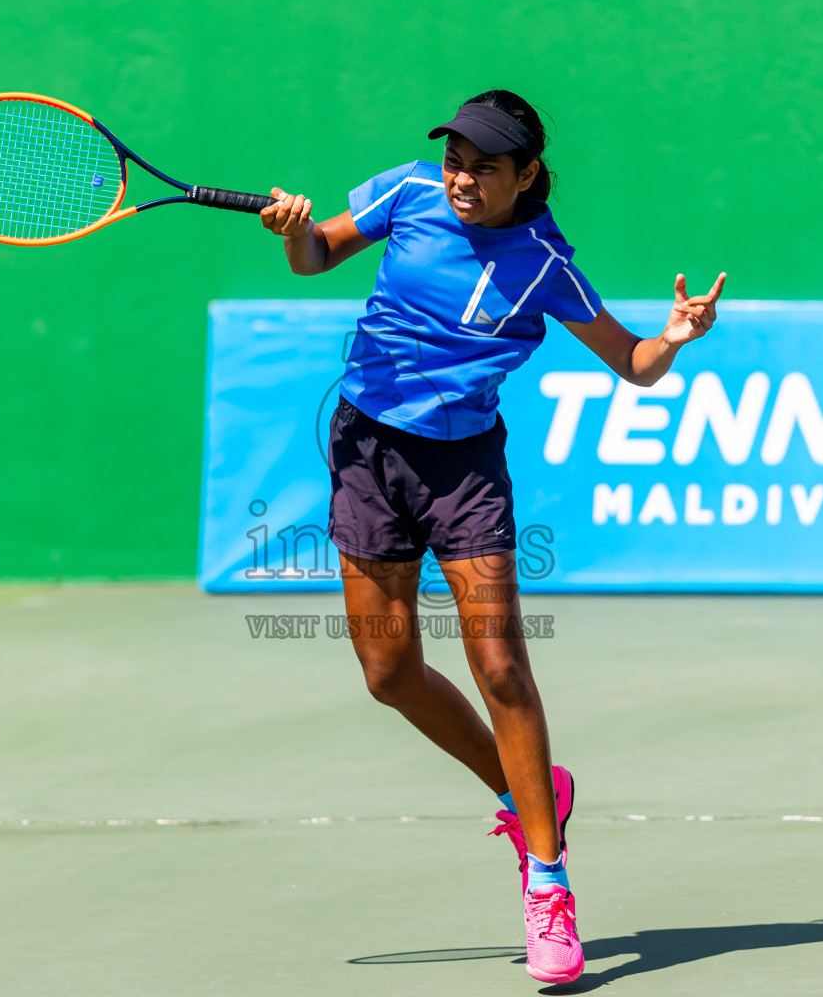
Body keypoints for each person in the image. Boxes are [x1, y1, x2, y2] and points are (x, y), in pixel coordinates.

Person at [259, 89, 723, 985]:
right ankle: (527, 792)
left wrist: (673, 336)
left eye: (485, 166)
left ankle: (547, 879)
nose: (464, 178)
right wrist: (291, 228)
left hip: (464, 468)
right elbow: (315, 254)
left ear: (528, 175)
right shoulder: (407, 194)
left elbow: (631, 364)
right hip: (366, 448)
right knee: (388, 671)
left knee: (501, 664)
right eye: (457, 160)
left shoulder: (546, 262)